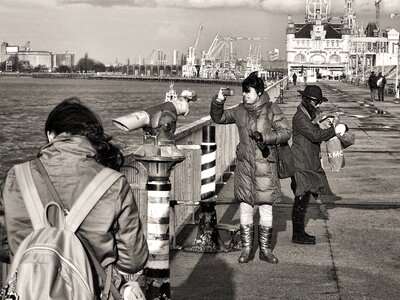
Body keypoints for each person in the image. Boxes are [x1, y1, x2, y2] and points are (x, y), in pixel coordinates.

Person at [0, 97, 149, 295]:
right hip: (92, 291)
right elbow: (133, 260)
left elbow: (5, 246)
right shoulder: (113, 182)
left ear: (51, 135)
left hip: (28, 290)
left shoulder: (17, 176)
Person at [210, 72, 291, 264]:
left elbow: (286, 132)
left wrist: (265, 137)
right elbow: (218, 118)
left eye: (248, 91)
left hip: (265, 165)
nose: (244, 95)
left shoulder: (271, 109)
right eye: (243, 91)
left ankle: (265, 250)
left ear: (259, 91)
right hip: (245, 166)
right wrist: (218, 100)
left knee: (265, 208)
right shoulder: (240, 110)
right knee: (245, 207)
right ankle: (246, 250)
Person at [290, 85, 341, 245]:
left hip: (307, 161)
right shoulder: (300, 117)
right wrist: (335, 130)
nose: (318, 105)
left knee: (303, 198)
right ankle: (297, 234)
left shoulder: (308, 115)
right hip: (300, 163)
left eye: (319, 102)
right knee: (301, 197)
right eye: (316, 102)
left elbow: (316, 129)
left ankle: (298, 233)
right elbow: (315, 135)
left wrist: (327, 122)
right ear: (307, 100)